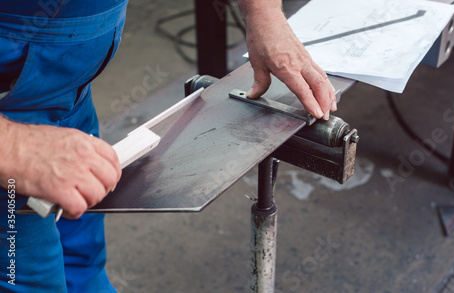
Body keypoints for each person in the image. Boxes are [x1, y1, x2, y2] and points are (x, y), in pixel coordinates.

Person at [0, 0, 336, 291]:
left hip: (67, 99)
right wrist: (15, 147)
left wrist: (265, 17)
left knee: (82, 262)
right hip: (11, 144)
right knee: (28, 277)